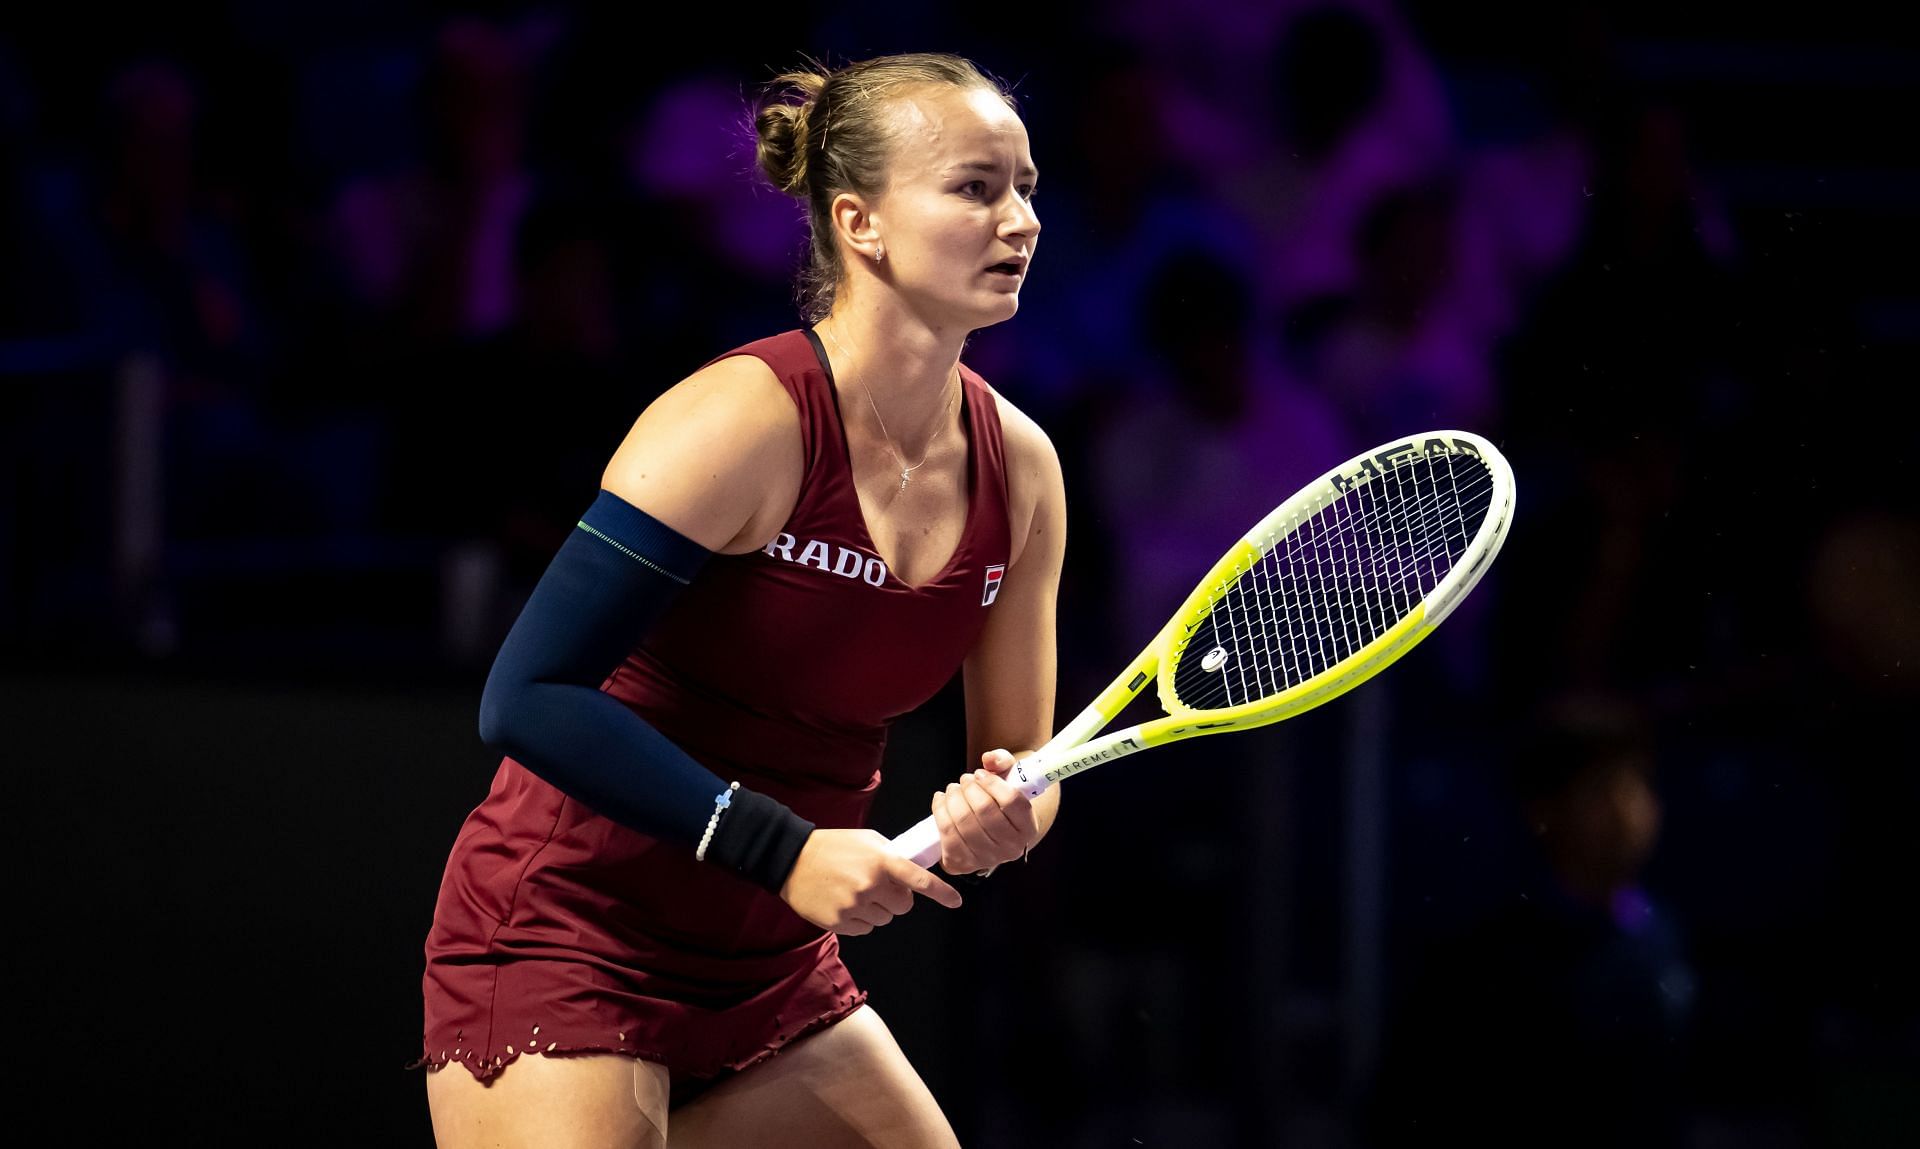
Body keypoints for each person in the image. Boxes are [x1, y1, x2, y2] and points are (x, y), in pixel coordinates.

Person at [414, 51, 1062, 1148]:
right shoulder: (740, 422)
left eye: (1027, 187)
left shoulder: (1023, 470)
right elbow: (525, 696)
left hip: (767, 970)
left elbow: (1021, 766)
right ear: (859, 222)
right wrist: (786, 850)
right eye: (975, 187)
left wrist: (1003, 821)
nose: (1020, 221)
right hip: (569, 932)